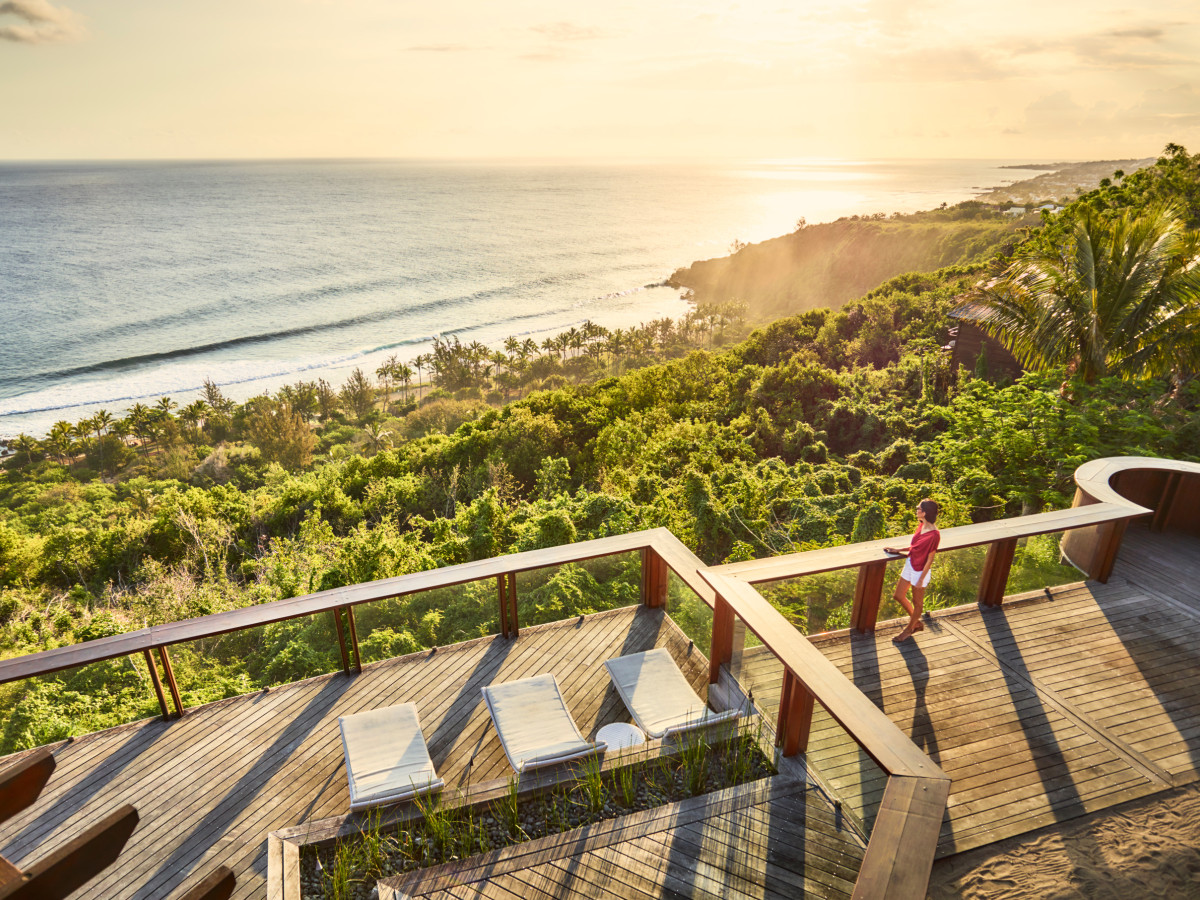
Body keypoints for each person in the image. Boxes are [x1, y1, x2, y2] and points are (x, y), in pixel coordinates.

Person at [884, 499, 940, 642]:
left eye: (918, 508)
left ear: (925, 512)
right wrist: (897, 549)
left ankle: (908, 630)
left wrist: (921, 578)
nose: (916, 510)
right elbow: (914, 547)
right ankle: (916, 622)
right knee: (898, 595)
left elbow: (930, 558)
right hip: (910, 564)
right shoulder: (921, 526)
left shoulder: (934, 535)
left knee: (918, 603)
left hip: (920, 571)